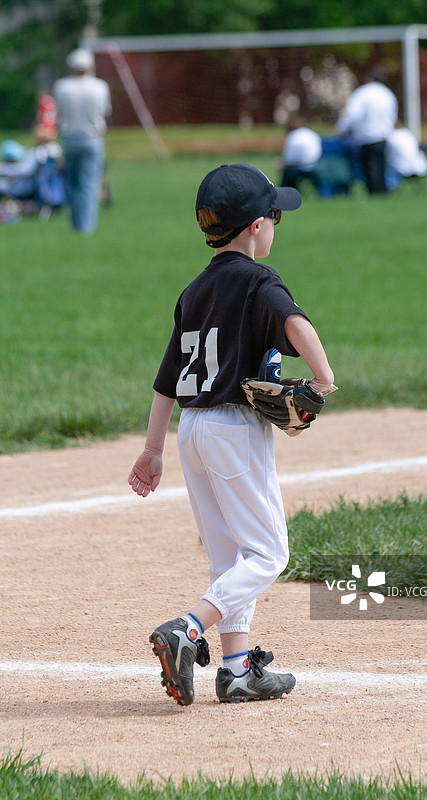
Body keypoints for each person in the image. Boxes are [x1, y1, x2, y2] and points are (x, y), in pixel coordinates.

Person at [128, 163, 335, 705]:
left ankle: (238, 671)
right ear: (254, 227)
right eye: (275, 215)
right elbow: (295, 323)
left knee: (230, 559)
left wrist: (153, 450)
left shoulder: (194, 290)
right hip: (232, 428)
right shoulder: (258, 281)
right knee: (269, 554)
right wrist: (323, 377)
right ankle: (187, 629)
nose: (276, 224)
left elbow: (166, 380)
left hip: (192, 429)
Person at [53, 48, 111, 233]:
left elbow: (58, 112)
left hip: (69, 139)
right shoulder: (99, 86)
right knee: (89, 183)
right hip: (92, 139)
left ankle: (77, 224)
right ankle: (85, 227)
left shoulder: (61, 86)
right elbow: (105, 111)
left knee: (73, 184)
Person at [336, 69, 398, 194]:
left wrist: (342, 128)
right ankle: (382, 191)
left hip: (367, 136)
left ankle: (375, 193)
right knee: (381, 167)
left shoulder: (363, 92)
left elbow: (353, 114)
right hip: (384, 135)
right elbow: (393, 115)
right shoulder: (387, 94)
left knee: (369, 168)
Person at [280, 114, 323, 189]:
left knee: (287, 173)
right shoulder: (312, 134)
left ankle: (287, 193)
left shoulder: (293, 136)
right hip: (317, 165)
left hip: (303, 167)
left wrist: (282, 164)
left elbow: (290, 159)